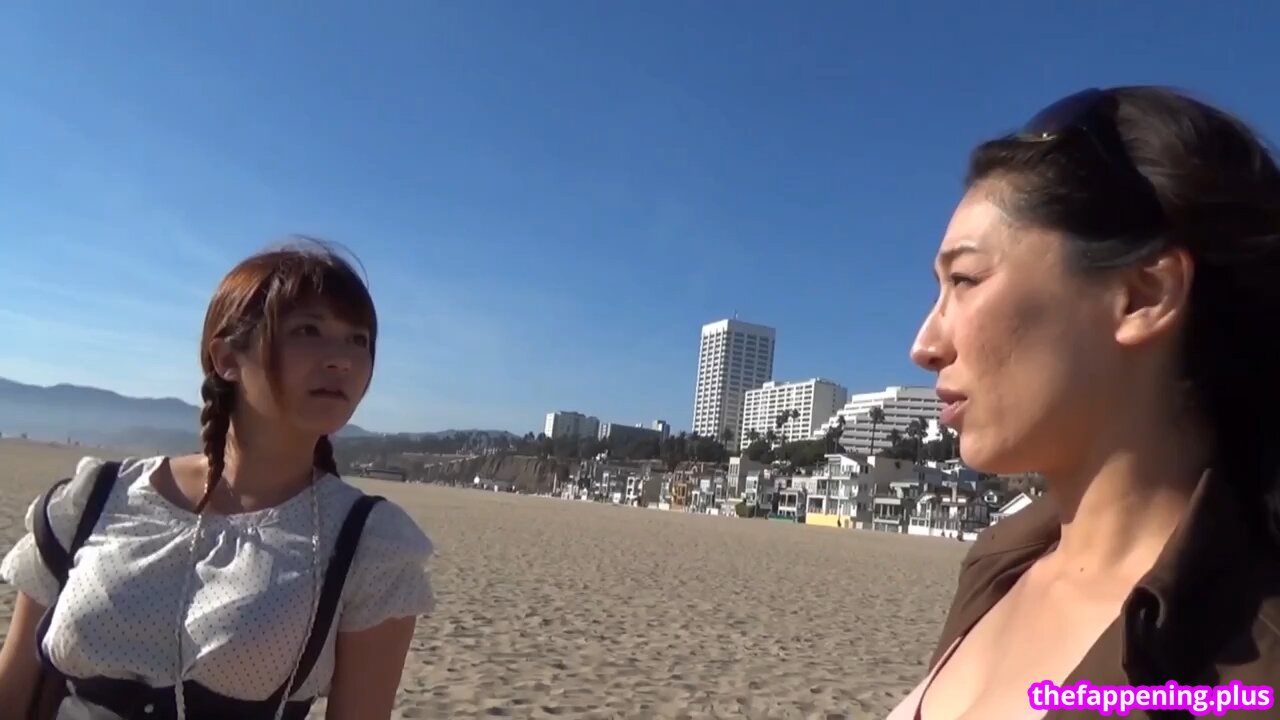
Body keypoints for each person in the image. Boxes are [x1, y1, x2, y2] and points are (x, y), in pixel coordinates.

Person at [892, 87, 1280, 719]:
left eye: (964, 279)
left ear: (1142, 296)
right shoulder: (998, 565)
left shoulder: (1249, 670)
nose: (925, 346)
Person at [0, 240, 436, 720]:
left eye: (358, 340)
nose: (342, 360)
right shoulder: (96, 498)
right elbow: (12, 688)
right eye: (308, 330)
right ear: (227, 357)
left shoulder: (367, 544)